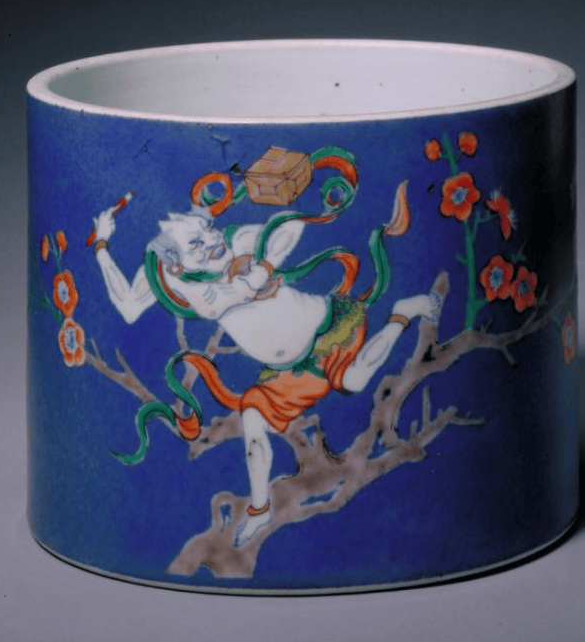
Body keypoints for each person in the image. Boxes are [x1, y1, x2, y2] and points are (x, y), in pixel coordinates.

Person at [92, 202, 439, 546]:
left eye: (208, 230)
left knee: (353, 381)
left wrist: (267, 263)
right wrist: (102, 245)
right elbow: (128, 306)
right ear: (176, 261)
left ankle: (402, 314)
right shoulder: (170, 278)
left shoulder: (237, 242)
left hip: (325, 326)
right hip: (287, 368)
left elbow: (291, 226)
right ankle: (260, 510)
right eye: (197, 243)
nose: (211, 241)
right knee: (253, 418)